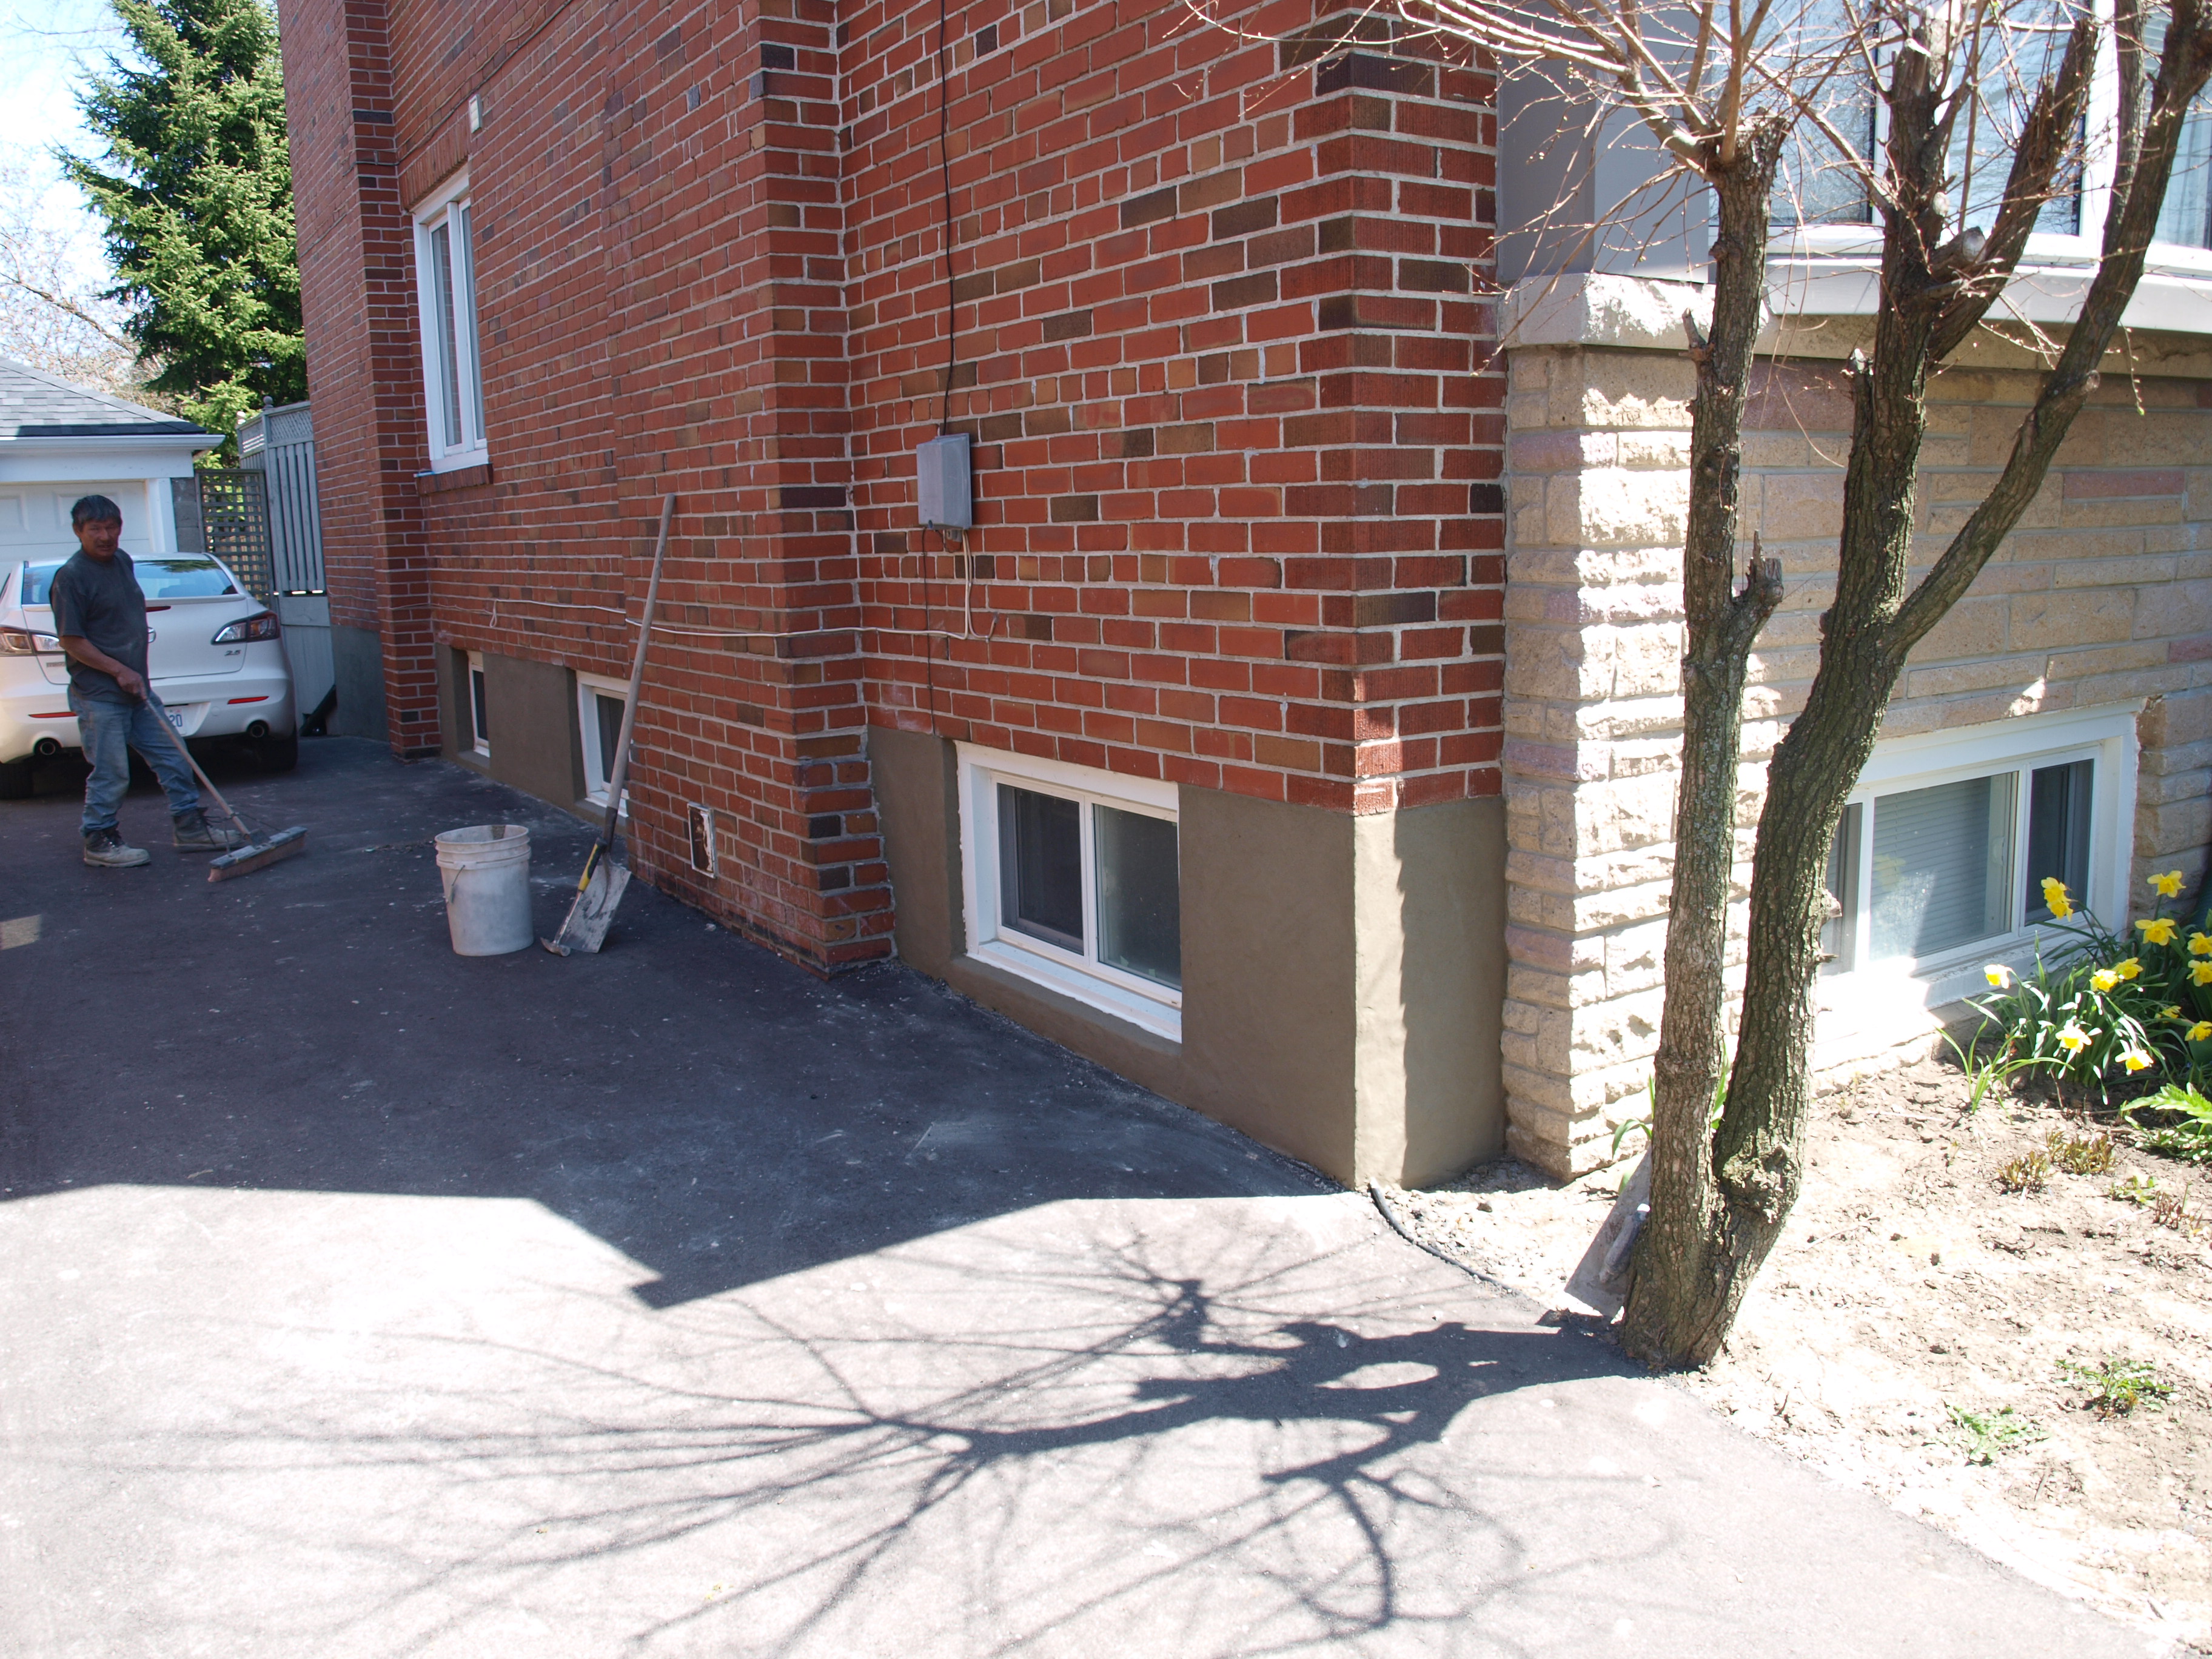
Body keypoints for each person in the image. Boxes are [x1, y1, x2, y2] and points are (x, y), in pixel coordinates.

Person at [49, 494, 244, 868]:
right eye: (96, 530)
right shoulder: (71, 578)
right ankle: (99, 838)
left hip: (137, 691)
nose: (105, 536)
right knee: (111, 771)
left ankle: (190, 829)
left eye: (112, 528)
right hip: (100, 694)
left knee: (174, 755)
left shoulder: (121, 562)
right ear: (79, 532)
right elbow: (71, 641)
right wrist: (119, 670)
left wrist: (133, 670)